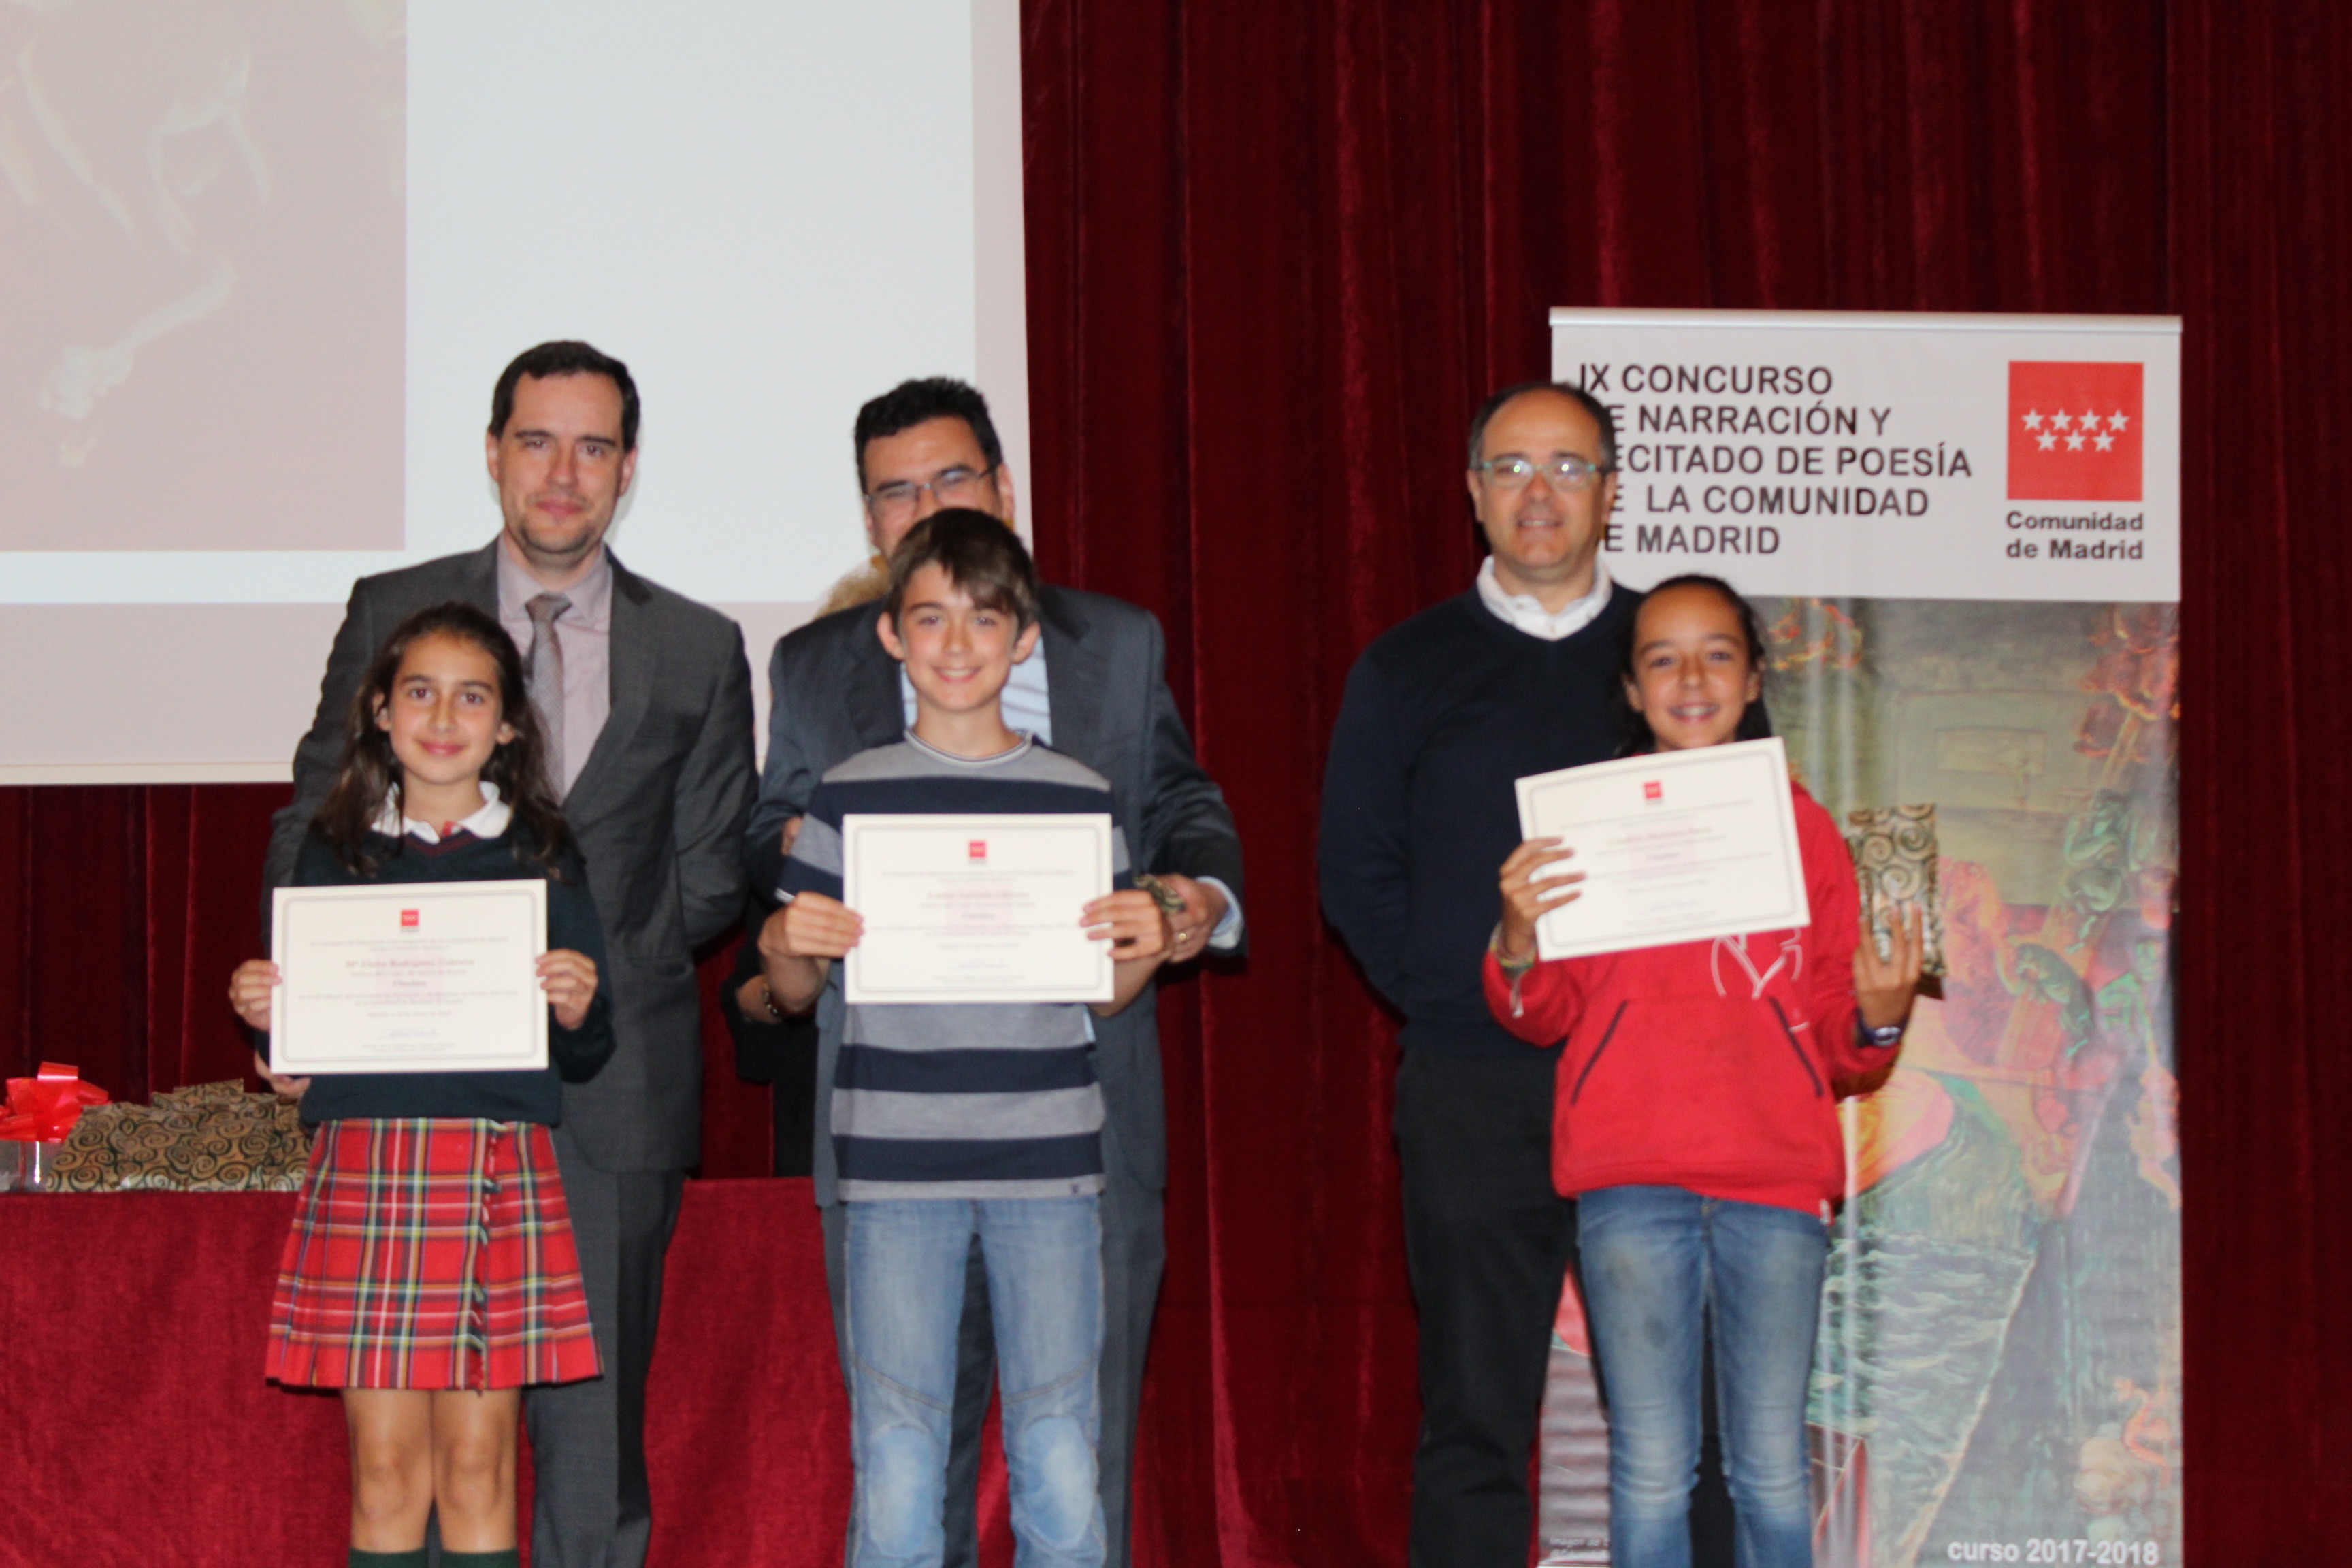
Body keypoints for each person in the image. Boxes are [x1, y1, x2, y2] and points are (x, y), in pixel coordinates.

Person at [265, 340, 755, 1568]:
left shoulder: (698, 645)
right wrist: (315, 1005)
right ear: (493, 453)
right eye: (537, 442)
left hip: (614, 1086)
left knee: (593, 1452)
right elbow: (314, 817)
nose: (562, 473)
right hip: (411, 1094)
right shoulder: (393, 608)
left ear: (628, 470)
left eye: (593, 448)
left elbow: (710, 873)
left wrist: (573, 981)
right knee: (413, 1456)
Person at [739, 377, 1243, 1568]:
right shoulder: (819, 685)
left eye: (952, 478)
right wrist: (794, 935)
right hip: (891, 1139)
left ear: (1004, 489)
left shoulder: (1111, 667)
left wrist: (1175, 911)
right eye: (895, 492)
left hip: (1067, 1140)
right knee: (903, 1451)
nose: (927, 506)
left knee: (1072, 1450)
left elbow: (1177, 814)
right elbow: (772, 851)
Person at [1484, 574, 1923, 1568]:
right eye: (1663, 660)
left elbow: (1838, 1037)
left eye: (1718, 655)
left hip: (1775, 1182)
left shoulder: (1807, 831)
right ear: (1632, 691)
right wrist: (1516, 940)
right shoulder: (1582, 826)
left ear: (1755, 678)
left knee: (1770, 1468)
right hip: (1629, 1180)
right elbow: (1539, 1014)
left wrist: (1882, 1017)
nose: (1692, 679)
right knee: (1650, 1468)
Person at [1318, 381, 1643, 1566]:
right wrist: (1463, 1000)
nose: (1538, 492)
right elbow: (1355, 871)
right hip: (1473, 1081)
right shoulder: (1406, 667)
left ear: (1610, 490)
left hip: (1651, 1082)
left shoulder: (1675, 655)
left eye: (1567, 466)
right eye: (1511, 467)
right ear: (1473, 492)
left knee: (1678, 1417)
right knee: (1474, 1416)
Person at [232, 603, 615, 1568]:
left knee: (480, 1470)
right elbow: (299, 1052)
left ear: (510, 724)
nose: (444, 717)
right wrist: (270, 1020)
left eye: (473, 697)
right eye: (419, 693)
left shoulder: (541, 852)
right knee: (385, 1472)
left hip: (494, 1168)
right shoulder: (334, 849)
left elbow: (586, 1051)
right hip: (368, 1166)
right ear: (379, 710)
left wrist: (578, 1007)